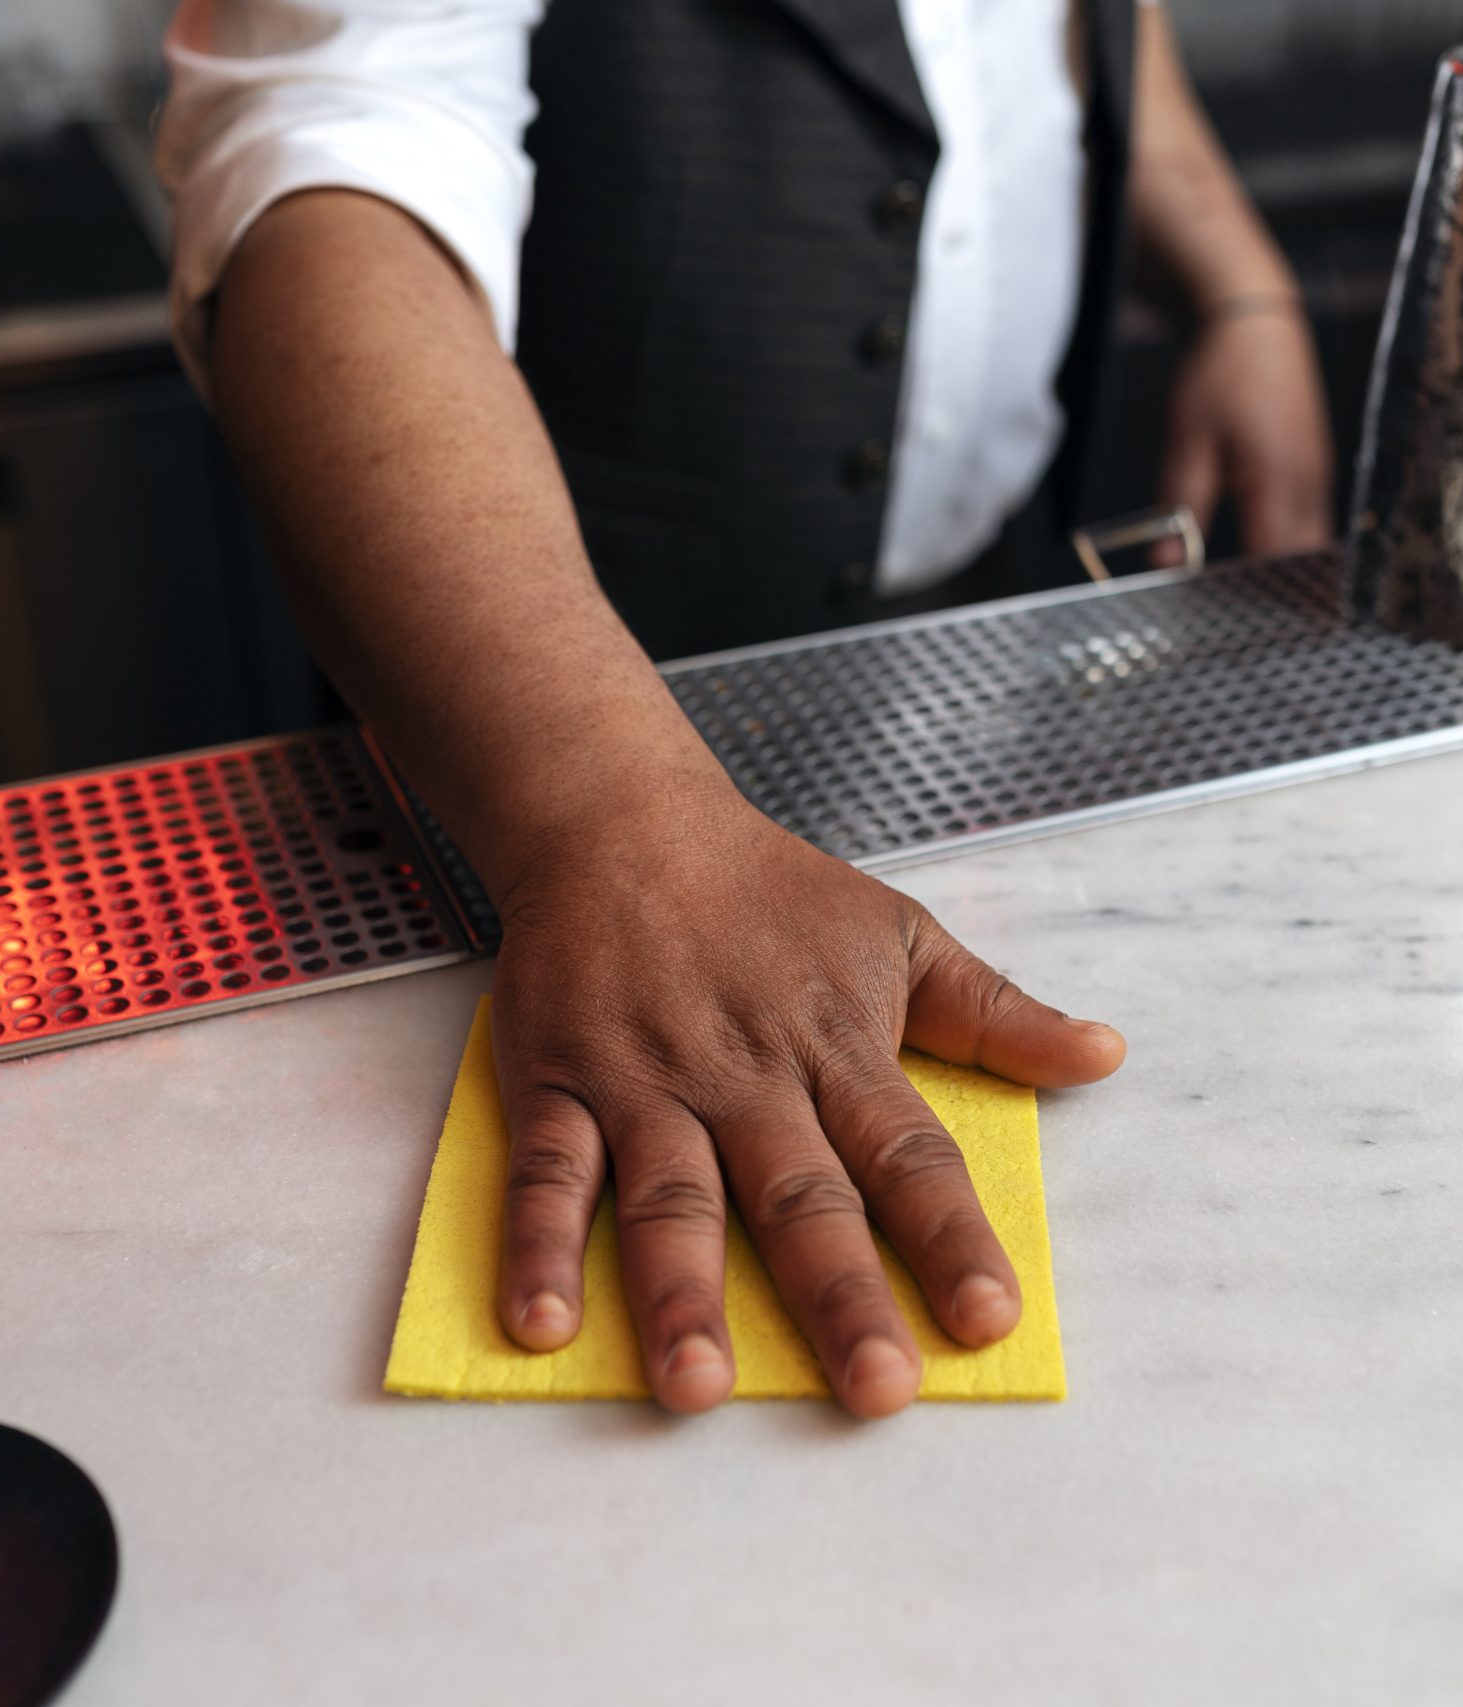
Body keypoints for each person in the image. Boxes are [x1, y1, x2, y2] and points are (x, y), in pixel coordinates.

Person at [156, 0, 1332, 1418]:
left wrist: (1239, 290)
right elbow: (334, 167)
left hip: (963, 632)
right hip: (555, 728)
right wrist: (608, 816)